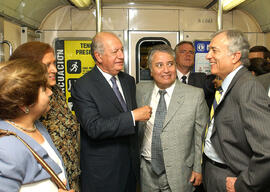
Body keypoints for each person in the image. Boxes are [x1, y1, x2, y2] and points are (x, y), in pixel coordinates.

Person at [71, 32, 152, 192]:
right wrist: (132, 116)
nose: (121, 56)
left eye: (122, 50)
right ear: (98, 56)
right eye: (115, 52)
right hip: (102, 173)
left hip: (130, 170)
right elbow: (94, 127)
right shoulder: (83, 86)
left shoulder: (128, 81)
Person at [202, 29, 270, 192]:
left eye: (214, 50)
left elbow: (267, 150)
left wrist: (244, 184)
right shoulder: (228, 84)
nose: (208, 56)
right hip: (213, 170)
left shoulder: (248, 88)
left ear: (235, 56)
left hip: (230, 177)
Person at [9, 41, 80, 191]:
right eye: (47, 65)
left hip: (67, 176)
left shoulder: (56, 92)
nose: (54, 69)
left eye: (54, 63)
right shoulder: (21, 108)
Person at [136, 44, 208, 192]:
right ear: (151, 70)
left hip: (180, 172)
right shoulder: (139, 91)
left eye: (170, 64)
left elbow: (200, 136)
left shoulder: (195, 95)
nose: (166, 70)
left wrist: (198, 168)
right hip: (146, 171)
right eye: (159, 65)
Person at [174, 41, 215, 109]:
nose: (188, 55)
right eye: (183, 51)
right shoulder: (167, 78)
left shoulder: (202, 79)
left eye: (191, 52)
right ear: (175, 56)